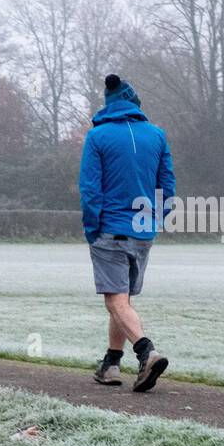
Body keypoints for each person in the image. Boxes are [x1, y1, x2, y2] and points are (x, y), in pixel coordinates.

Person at [78, 74, 175, 391]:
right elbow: (167, 186)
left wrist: (93, 228)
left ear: (108, 104)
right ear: (134, 103)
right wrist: (155, 219)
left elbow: (90, 189)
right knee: (123, 300)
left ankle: (146, 351)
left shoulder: (98, 137)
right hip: (143, 232)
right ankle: (111, 364)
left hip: (111, 230)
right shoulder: (157, 136)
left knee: (115, 302)